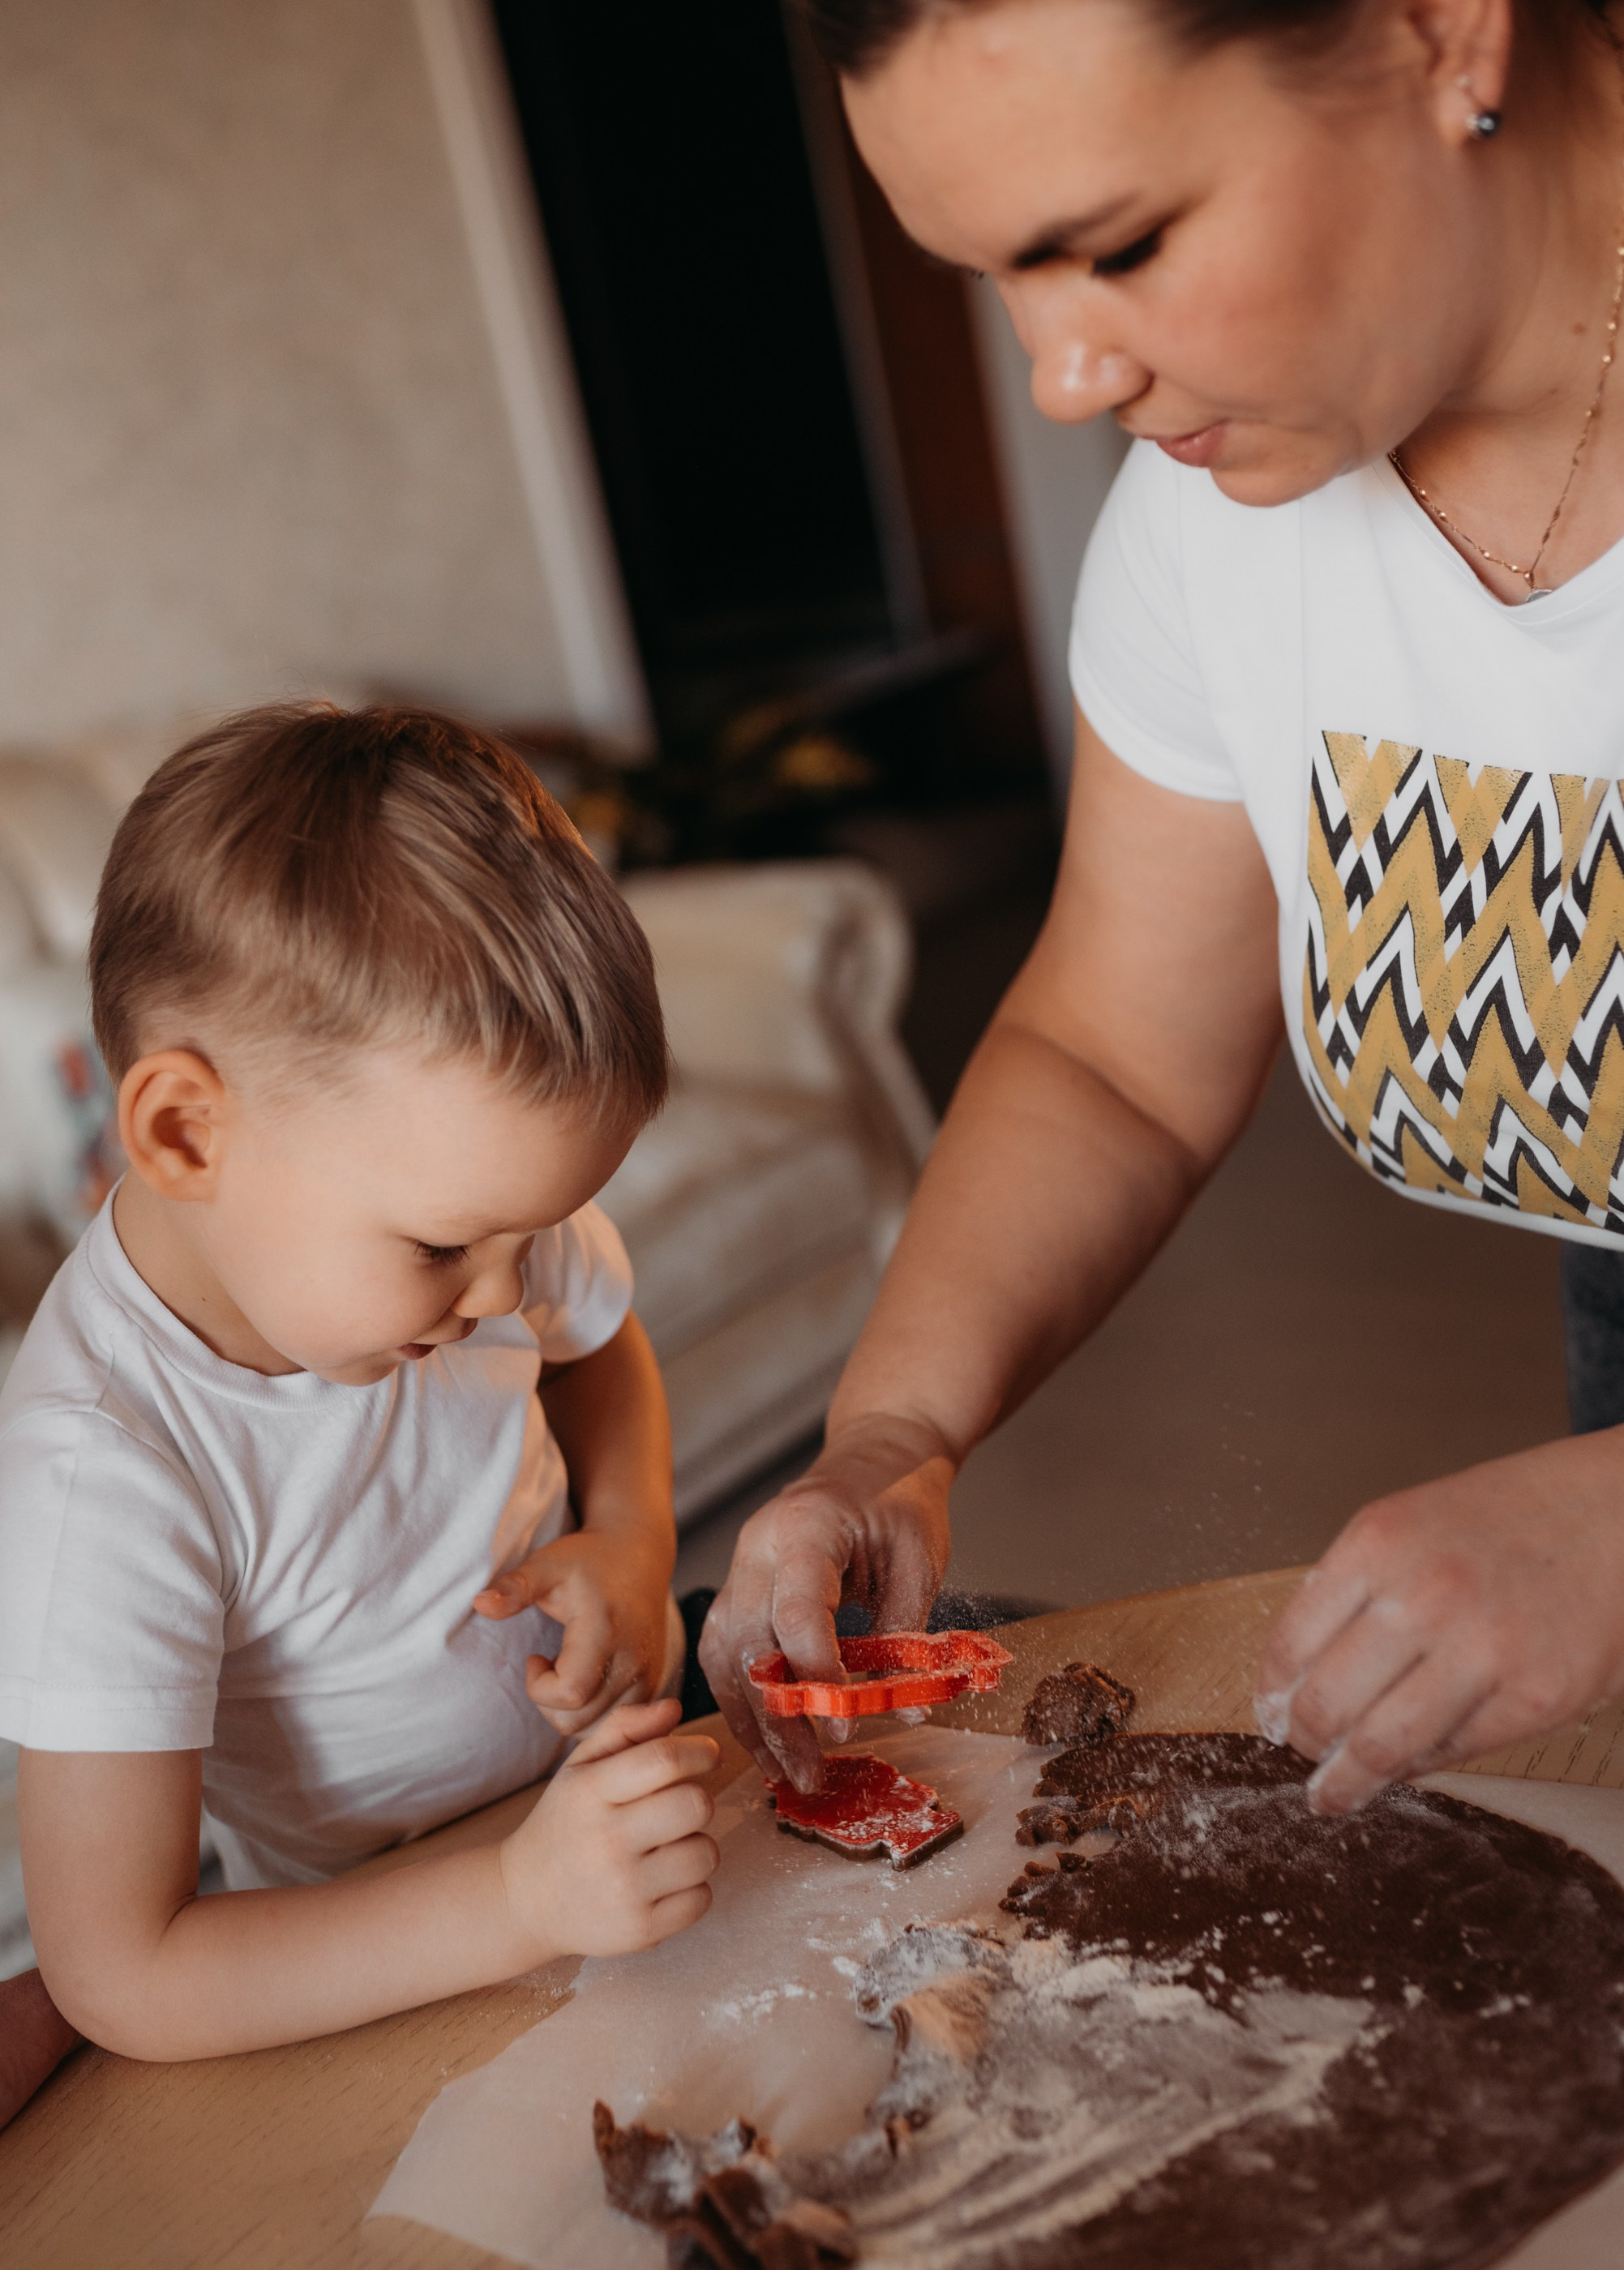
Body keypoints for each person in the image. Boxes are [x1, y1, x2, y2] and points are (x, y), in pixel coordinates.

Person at [703, 0, 1624, 1815]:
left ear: (1446, 32)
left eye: (1117, 245)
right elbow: (1113, 1046)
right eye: (995, 279)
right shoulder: (1219, 528)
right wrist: (893, 1434)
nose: (1062, 375)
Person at [0, 704, 718, 2067]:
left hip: (598, 1812)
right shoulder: (106, 1471)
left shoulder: (467, 1233)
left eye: (532, 1234)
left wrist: (630, 1535)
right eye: (448, 1247)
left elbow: (595, 1344)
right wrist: (521, 1901)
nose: (507, 1293)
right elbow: (123, 1973)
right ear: (183, 1134)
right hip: (380, 1960)